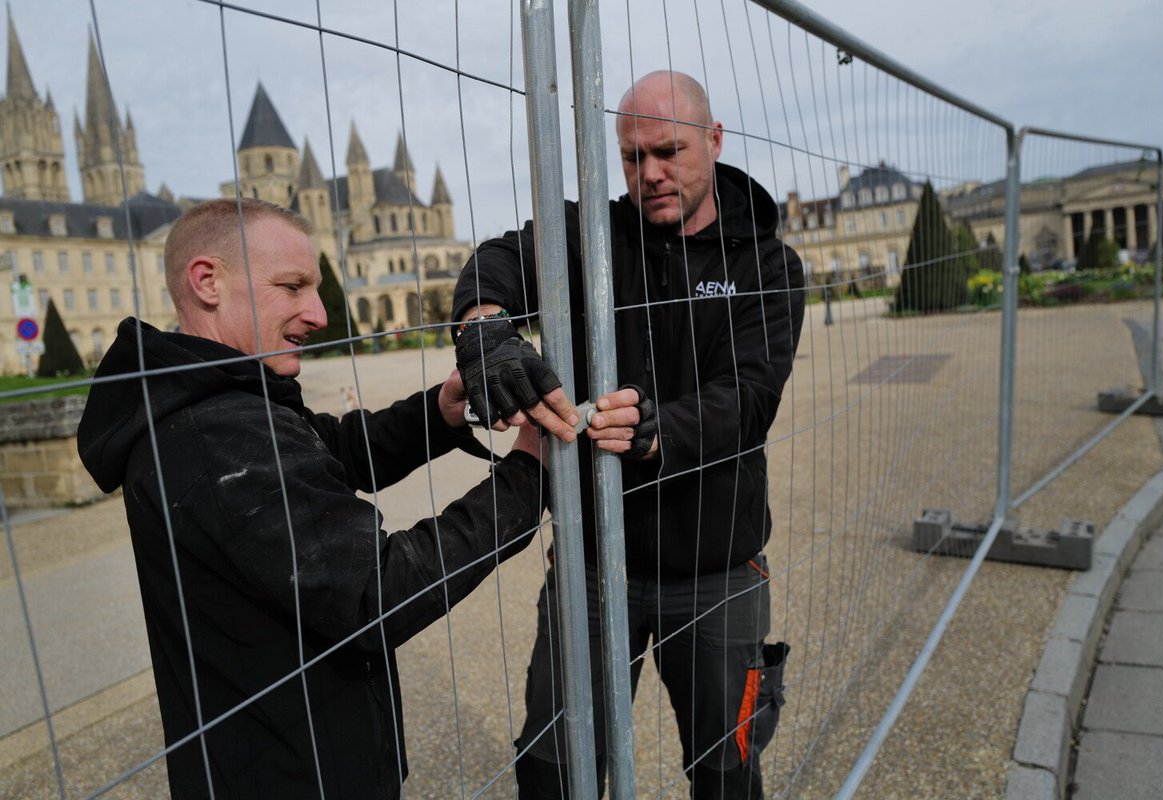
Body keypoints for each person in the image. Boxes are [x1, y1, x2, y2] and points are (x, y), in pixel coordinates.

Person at [77, 198, 552, 799]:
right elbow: (379, 591)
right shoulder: (213, 435)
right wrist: (530, 474)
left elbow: (328, 451)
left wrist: (437, 412)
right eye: (293, 286)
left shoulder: (224, 395)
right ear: (208, 282)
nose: (321, 313)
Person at [451, 71, 806, 798]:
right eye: (632, 157)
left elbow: (750, 397)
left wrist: (653, 430)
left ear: (714, 140)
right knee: (556, 761)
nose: (650, 174)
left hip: (716, 570)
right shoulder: (598, 235)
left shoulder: (765, 265)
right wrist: (484, 327)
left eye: (669, 151)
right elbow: (502, 255)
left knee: (726, 770)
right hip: (591, 566)